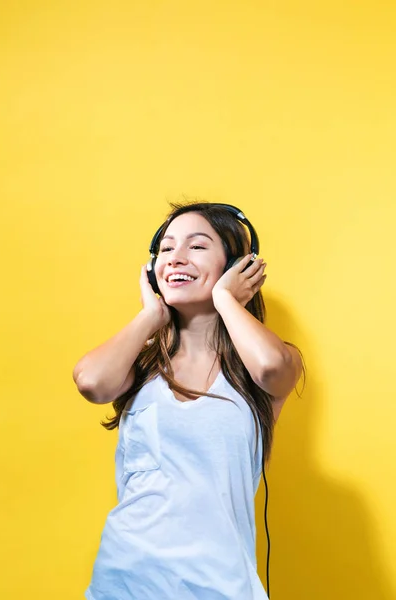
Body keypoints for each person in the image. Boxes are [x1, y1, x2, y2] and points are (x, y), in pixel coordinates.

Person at [73, 200, 305, 600]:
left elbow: (270, 368)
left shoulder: (265, 364)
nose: (176, 258)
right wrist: (151, 315)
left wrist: (226, 300)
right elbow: (92, 382)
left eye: (197, 246)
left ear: (237, 267)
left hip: (220, 583)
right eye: (165, 249)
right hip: (125, 578)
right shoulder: (141, 365)